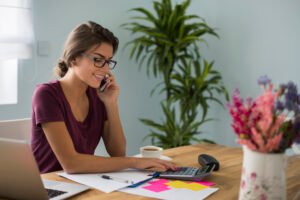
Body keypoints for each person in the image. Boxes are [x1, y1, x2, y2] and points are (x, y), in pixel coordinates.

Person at [31, 21, 175, 174]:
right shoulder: (46, 95)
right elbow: (71, 164)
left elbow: (117, 152)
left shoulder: (98, 94)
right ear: (73, 58)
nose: (105, 69)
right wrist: (135, 162)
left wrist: (111, 103)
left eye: (108, 61)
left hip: (82, 182)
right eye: (98, 60)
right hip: (47, 186)